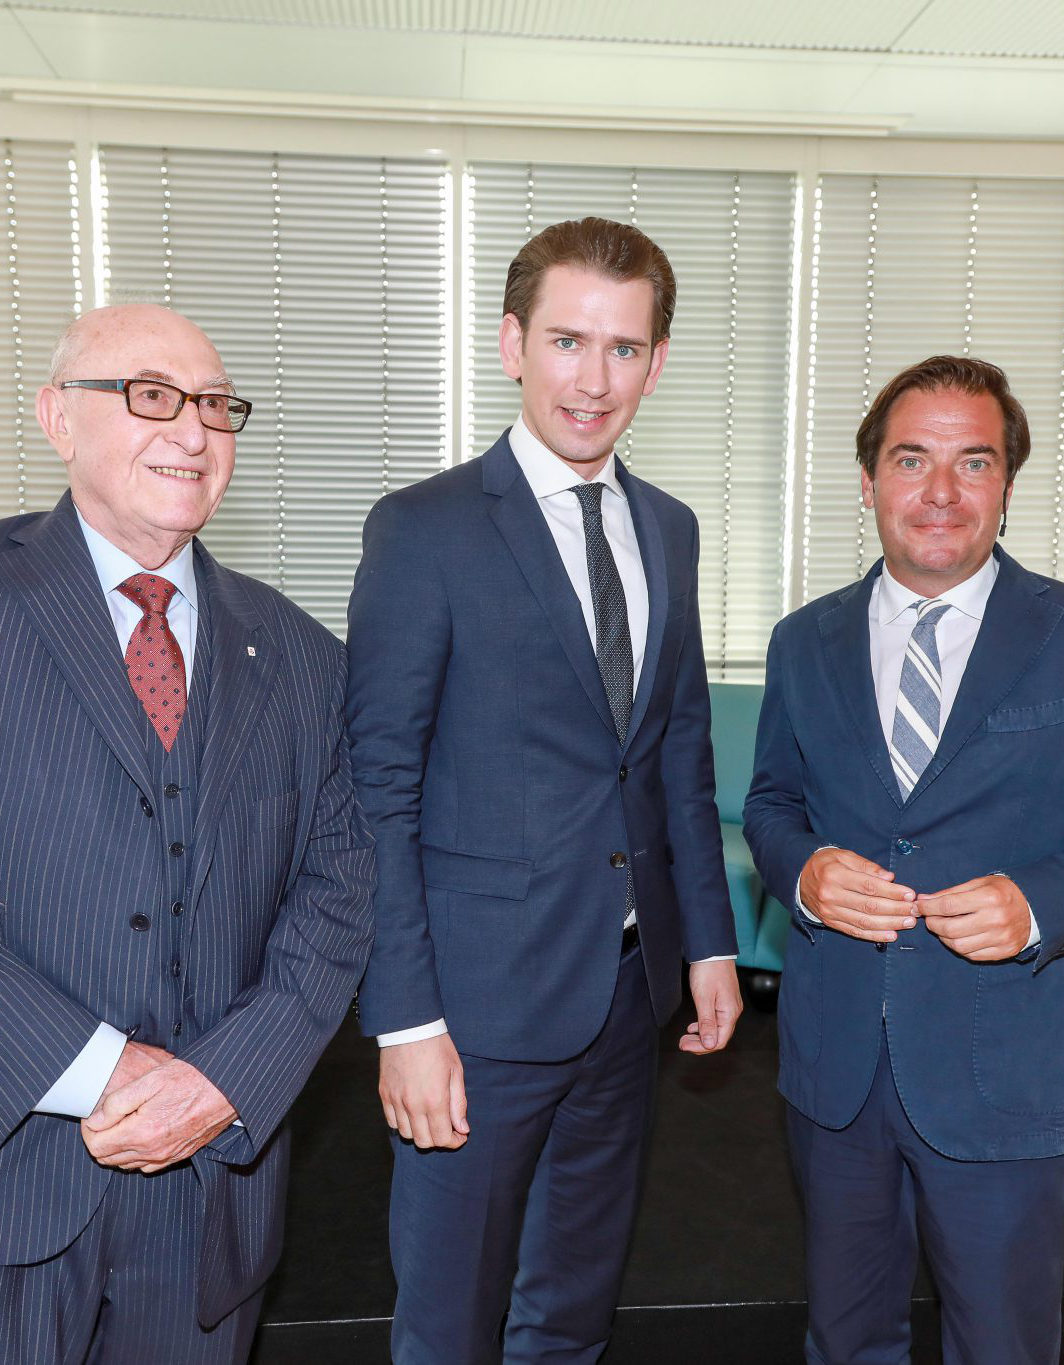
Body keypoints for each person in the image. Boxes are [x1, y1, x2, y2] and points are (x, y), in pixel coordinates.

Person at [0, 303, 374, 1363]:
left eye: (215, 406)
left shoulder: (301, 654)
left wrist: (221, 1083)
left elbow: (335, 901)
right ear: (60, 418)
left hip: (203, 1186)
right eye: (151, 396)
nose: (193, 432)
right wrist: (97, 1070)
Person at [744, 354, 1064, 1365]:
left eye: (974, 462)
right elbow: (772, 803)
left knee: (1001, 1345)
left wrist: (1038, 902)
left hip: (1006, 1074)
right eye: (912, 461)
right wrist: (805, 872)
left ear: (1006, 483)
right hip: (836, 1074)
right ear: (868, 483)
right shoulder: (800, 643)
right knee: (845, 1339)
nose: (941, 493)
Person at [346, 217, 743, 1364]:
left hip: (628, 993)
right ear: (514, 343)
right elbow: (378, 786)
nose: (593, 379)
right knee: (452, 1319)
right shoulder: (423, 531)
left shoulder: (669, 528)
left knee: (574, 1306)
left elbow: (674, 749)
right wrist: (406, 1020)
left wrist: (707, 944)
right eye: (568, 341)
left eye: (623, 349)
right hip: (474, 1010)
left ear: (657, 363)